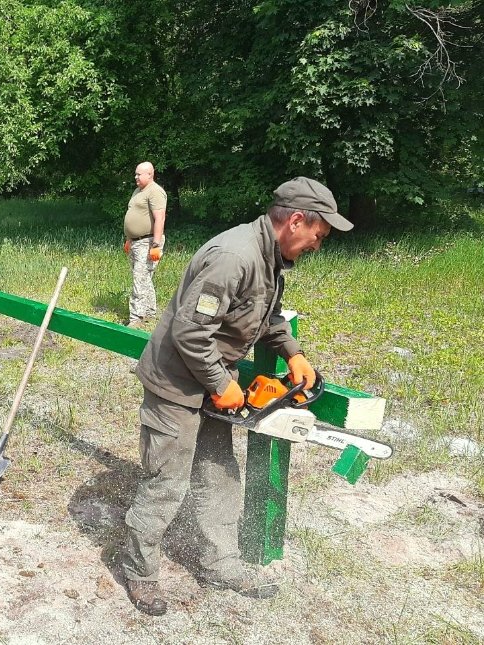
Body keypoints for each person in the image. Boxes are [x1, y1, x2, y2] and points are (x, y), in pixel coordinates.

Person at [121, 177, 354, 616]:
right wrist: (221, 384)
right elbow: (189, 331)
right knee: (167, 482)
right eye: (318, 236)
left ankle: (220, 563)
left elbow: (263, 314)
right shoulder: (235, 256)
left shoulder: (267, 258)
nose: (317, 245)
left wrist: (292, 351)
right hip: (177, 384)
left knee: (218, 475)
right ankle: (139, 571)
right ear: (297, 221)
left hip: (211, 381)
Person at [123, 162, 167, 328]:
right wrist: (129, 239)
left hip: (148, 242)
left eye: (139, 174)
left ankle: (136, 318)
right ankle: (149, 313)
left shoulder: (155, 191)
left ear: (150, 174)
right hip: (136, 241)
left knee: (139, 278)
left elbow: (160, 218)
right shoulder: (137, 191)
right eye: (135, 174)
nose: (136, 177)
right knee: (143, 279)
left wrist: (155, 244)